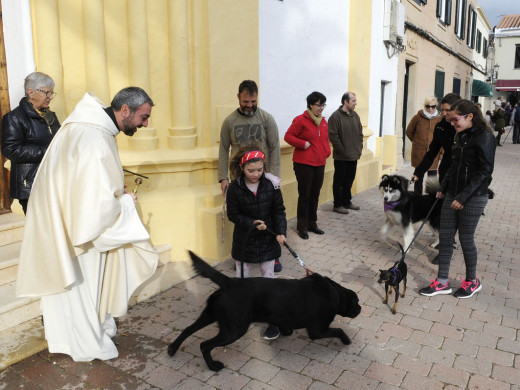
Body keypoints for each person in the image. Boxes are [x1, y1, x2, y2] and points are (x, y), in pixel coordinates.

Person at [15, 87, 159, 361]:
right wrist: (124, 202)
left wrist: (116, 193)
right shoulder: (92, 135)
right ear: (125, 110)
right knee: (81, 286)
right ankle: (83, 341)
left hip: (71, 219)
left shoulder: (91, 128)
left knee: (85, 288)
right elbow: (95, 202)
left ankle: (85, 331)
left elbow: (89, 185)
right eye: (143, 117)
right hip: (81, 229)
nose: (145, 124)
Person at [420, 99, 495, 299]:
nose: (452, 123)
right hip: (453, 193)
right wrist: (443, 187)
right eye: (450, 120)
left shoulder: (485, 137)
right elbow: (453, 165)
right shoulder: (459, 136)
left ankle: (472, 281)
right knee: (445, 237)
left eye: (455, 120)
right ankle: (442, 282)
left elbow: (485, 172)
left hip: (474, 196)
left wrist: (463, 197)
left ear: (470, 116)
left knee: (465, 238)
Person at [218, 80, 282, 271]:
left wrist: (275, 179)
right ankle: (242, 256)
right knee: (240, 217)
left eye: (253, 101)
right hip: (239, 180)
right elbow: (223, 149)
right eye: (246, 101)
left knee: (268, 215)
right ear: (238, 97)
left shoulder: (266, 119)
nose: (249, 105)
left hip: (264, 177)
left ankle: (272, 257)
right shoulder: (230, 121)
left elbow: (274, 148)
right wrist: (223, 177)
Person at [226, 145, 287, 340]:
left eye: (260, 170)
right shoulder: (235, 187)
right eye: (251, 170)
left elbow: (279, 211)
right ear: (241, 167)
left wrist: (281, 232)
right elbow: (233, 214)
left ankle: (274, 321)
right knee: (242, 283)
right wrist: (251, 223)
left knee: (268, 284)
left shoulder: (272, 184)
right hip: (245, 242)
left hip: (268, 241)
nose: (255, 174)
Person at [1, 72, 60, 214]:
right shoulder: (14, 118)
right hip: (30, 185)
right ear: (31, 92)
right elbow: (11, 150)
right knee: (41, 230)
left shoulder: (50, 116)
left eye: (52, 93)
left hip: (53, 181)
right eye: (47, 93)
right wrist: (48, 151)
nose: (50, 97)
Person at [284, 91, 331, 240]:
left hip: (319, 163)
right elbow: (288, 136)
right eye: (319, 105)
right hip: (303, 164)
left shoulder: (323, 121)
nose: (321, 108)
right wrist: (302, 144)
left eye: (323, 105)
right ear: (310, 105)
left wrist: (327, 152)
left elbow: (325, 139)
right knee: (305, 195)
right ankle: (302, 227)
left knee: (315, 195)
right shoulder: (300, 120)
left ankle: (312, 224)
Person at [412, 93, 461, 186]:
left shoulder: (466, 128)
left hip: (463, 175)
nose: (443, 113)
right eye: (442, 110)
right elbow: (432, 152)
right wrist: (419, 172)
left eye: (447, 110)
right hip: (446, 172)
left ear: (458, 109)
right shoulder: (440, 127)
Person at [328, 91, 363, 214]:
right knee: (339, 181)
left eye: (355, 100)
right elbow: (333, 136)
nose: (355, 103)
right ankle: (337, 204)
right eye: (353, 101)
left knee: (349, 180)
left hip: (354, 155)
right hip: (341, 157)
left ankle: (347, 202)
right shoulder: (335, 116)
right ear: (345, 101)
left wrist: (359, 148)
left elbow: (360, 133)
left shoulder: (355, 116)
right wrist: (342, 150)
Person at [406, 97, 442, 194]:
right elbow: (409, 131)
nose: (430, 109)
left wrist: (441, 152)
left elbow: (443, 137)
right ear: (424, 106)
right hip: (419, 153)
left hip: (434, 153)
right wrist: (417, 142)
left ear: (436, 106)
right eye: (428, 106)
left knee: (432, 177)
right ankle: (417, 198)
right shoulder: (417, 118)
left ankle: (431, 199)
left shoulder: (440, 119)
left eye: (433, 106)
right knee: (418, 176)